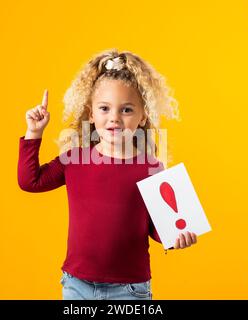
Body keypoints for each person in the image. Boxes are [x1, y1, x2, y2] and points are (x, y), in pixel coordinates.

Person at [17, 49, 198, 300]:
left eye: (126, 110)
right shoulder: (74, 159)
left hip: (130, 289)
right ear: (91, 113)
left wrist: (175, 237)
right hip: (76, 285)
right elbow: (30, 182)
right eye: (104, 108)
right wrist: (33, 133)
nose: (114, 118)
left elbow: (156, 228)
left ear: (143, 115)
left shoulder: (151, 166)